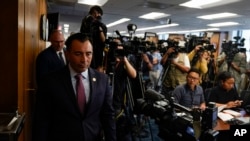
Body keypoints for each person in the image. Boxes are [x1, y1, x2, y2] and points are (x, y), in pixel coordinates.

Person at [32, 33, 116, 141]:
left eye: (88, 54)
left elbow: (108, 115)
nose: (84, 59)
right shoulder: (50, 82)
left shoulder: (102, 80)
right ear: (67, 54)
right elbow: (41, 120)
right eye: (78, 54)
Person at [112, 44, 137, 141]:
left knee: (122, 132)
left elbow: (134, 74)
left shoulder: (124, 64)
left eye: (121, 52)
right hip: (105, 101)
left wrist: (125, 60)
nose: (118, 54)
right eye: (117, 51)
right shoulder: (108, 61)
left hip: (118, 103)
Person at [80, 5, 107, 72]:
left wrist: (99, 28)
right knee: (86, 69)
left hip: (98, 52)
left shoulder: (102, 26)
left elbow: (103, 40)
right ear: (91, 14)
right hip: (87, 49)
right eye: (94, 13)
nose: (96, 15)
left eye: (98, 13)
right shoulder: (87, 23)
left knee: (97, 71)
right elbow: (82, 35)